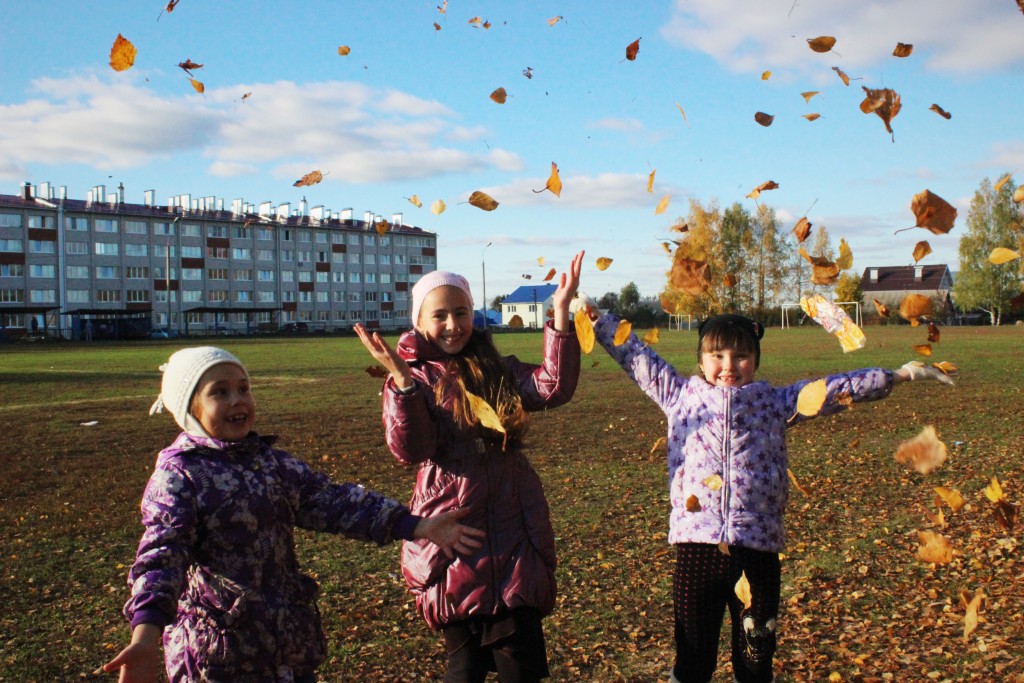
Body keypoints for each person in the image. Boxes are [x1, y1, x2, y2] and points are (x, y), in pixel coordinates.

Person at [584, 310, 956, 683]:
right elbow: (636, 357)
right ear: (700, 360)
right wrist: (595, 317)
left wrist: (901, 374)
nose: (728, 365)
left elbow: (836, 389)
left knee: (755, 662)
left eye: (741, 356)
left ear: (756, 362)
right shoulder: (679, 397)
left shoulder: (775, 404)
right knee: (693, 662)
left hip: (757, 552)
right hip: (697, 553)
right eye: (717, 356)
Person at [103, 346, 484, 683]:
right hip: (218, 656)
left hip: (287, 648)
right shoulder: (179, 477)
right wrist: (145, 636)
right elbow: (161, 556)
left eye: (243, 388)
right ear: (189, 407)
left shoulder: (270, 464)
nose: (238, 400)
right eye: (219, 392)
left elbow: (336, 502)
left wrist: (417, 524)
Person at [355, 251, 584, 683]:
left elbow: (552, 387)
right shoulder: (412, 378)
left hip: (513, 536)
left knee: (524, 666)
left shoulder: (494, 368)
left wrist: (560, 312)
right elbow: (410, 449)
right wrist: (403, 382)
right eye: (439, 315)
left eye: (461, 312)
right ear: (419, 321)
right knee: (464, 669)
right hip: (453, 541)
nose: (452, 324)